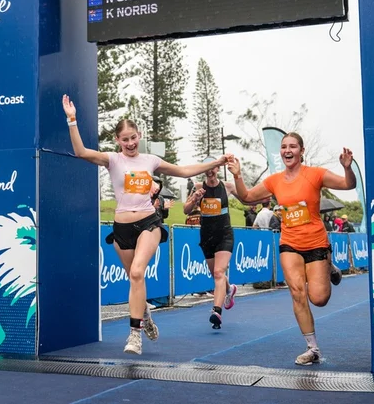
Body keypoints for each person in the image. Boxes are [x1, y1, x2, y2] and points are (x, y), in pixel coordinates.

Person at [62, 94, 228, 355]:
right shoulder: (113, 160)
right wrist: (72, 120)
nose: (130, 143)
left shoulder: (150, 161)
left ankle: (134, 335)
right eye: (124, 139)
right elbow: (81, 152)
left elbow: (184, 171)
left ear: (140, 135)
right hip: (122, 229)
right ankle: (146, 314)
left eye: (133, 137)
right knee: (134, 278)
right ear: (118, 141)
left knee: (138, 272)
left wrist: (215, 163)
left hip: (148, 223)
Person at [227, 132, 356, 366]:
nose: (287, 150)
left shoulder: (315, 175)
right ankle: (312, 348)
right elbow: (246, 197)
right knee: (297, 293)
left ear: (301, 151)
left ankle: (328, 267)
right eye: (284, 146)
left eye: (293, 146)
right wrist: (237, 175)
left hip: (316, 243)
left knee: (319, 299)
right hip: (290, 243)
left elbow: (349, 184)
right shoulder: (274, 180)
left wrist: (347, 168)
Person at [182, 157, 248, 329]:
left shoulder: (227, 187)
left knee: (219, 272)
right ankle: (229, 289)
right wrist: (195, 199)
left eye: (214, 168)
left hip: (224, 234)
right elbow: (186, 210)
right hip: (206, 235)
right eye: (207, 168)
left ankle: (216, 311)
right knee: (216, 274)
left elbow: (247, 199)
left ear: (218, 169)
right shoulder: (197, 186)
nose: (210, 171)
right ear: (205, 169)